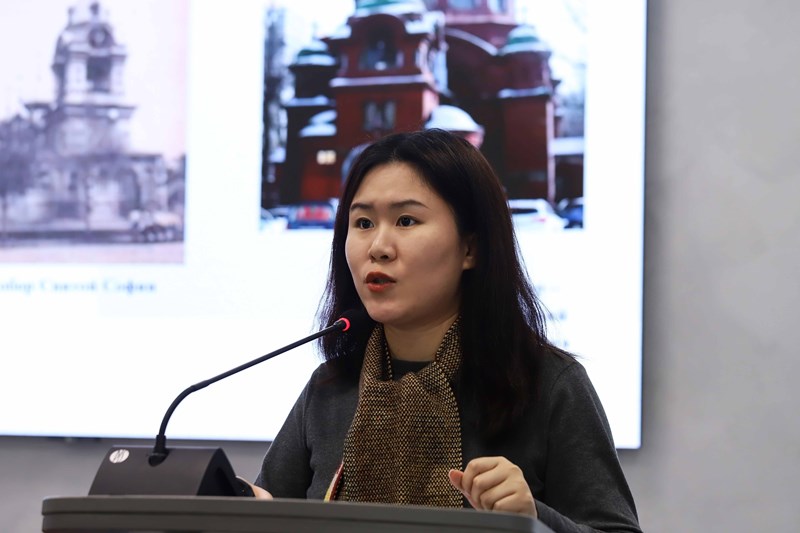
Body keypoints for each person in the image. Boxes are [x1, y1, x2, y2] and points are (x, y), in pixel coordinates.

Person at [253, 129, 642, 532]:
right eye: (363, 222)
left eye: (406, 220)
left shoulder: (549, 384)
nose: (378, 247)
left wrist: (534, 520)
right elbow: (266, 508)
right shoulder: (330, 389)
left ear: (470, 248)